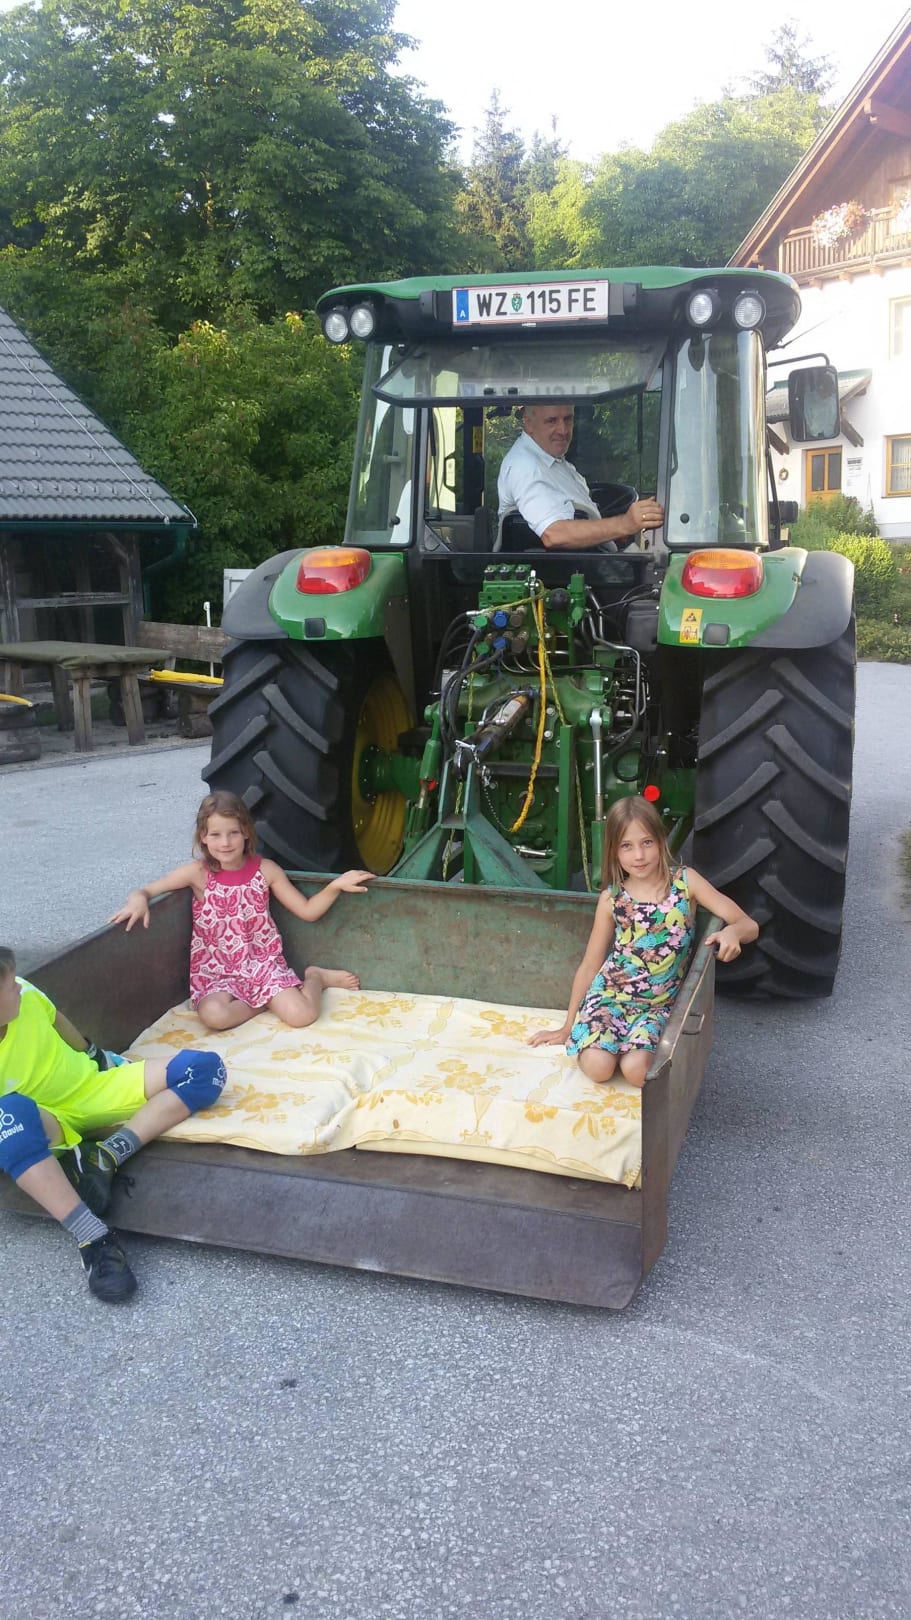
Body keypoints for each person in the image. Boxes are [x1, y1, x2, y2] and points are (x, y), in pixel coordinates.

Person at [0, 945, 226, 1303]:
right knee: (8, 1114)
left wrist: (97, 1056)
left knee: (205, 1070)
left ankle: (105, 1155)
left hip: (94, 1089)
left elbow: (56, 1019)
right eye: (9, 985)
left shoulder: (25, 994)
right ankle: (94, 1238)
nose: (19, 986)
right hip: (45, 1122)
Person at [528, 796, 758, 1087]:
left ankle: (625, 1048)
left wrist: (732, 933)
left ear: (661, 840)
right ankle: (598, 1041)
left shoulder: (685, 883)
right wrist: (567, 1025)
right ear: (614, 851)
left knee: (637, 1071)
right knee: (599, 1068)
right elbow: (590, 964)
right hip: (610, 997)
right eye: (626, 846)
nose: (639, 855)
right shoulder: (612, 898)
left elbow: (748, 925)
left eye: (647, 842)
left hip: (657, 1007)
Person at [111, 791, 372, 1033]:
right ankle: (265, 1002)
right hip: (217, 973)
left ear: (246, 831)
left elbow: (307, 911)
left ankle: (315, 977)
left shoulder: (266, 870)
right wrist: (138, 900)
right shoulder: (197, 873)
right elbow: (147, 891)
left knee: (303, 1016)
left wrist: (335, 886)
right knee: (214, 1017)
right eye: (215, 835)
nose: (225, 843)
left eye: (233, 833)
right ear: (203, 837)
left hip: (262, 966)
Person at [497, 403, 665, 551]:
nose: (563, 430)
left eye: (568, 419)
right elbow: (554, 534)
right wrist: (625, 524)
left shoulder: (553, 461)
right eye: (551, 421)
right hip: (561, 573)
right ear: (529, 423)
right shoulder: (526, 466)